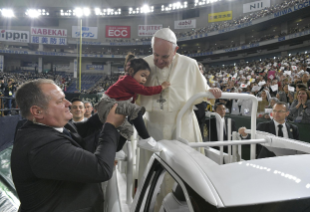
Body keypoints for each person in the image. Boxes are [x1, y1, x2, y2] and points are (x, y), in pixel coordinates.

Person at [11, 79, 126, 212]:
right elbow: (101, 168)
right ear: (38, 112)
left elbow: (84, 130)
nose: (69, 103)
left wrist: (104, 112)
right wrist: (111, 126)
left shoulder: (43, 129)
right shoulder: (42, 146)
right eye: (60, 101)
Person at [137, 28, 221, 189]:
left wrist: (209, 92)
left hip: (184, 128)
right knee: (156, 183)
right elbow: (133, 96)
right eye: (156, 55)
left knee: (185, 179)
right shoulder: (143, 64)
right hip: (154, 129)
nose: (159, 61)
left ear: (175, 50)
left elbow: (202, 91)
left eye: (165, 56)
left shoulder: (189, 65)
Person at [105, 58, 170, 152]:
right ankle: (145, 138)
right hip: (108, 105)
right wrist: (161, 87)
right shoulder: (128, 80)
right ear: (131, 71)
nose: (144, 80)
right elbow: (145, 90)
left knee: (128, 125)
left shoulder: (127, 81)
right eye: (142, 75)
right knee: (136, 111)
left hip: (113, 106)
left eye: (146, 78)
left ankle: (116, 149)